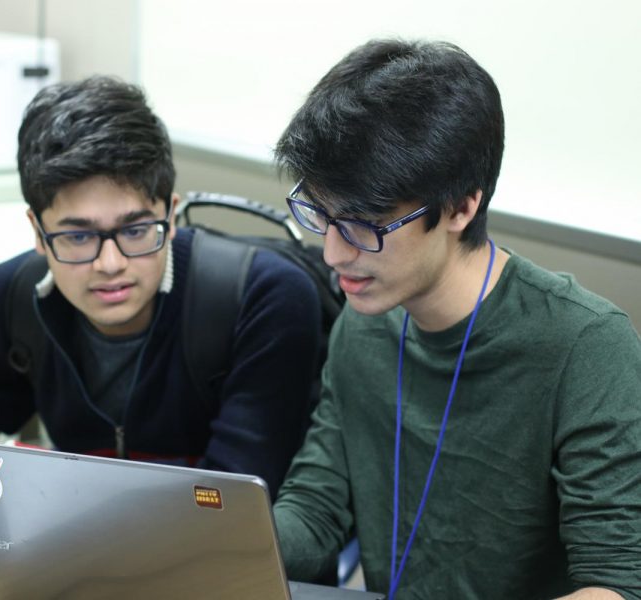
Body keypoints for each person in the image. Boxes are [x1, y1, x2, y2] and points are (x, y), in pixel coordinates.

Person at [271, 39, 641, 599]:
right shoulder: (366, 320)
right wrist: (213, 544)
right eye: (320, 215)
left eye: (363, 226)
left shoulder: (586, 346)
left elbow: (615, 583)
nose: (333, 253)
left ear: (461, 207)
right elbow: (319, 508)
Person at [0, 76, 321, 498]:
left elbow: (233, 502)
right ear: (38, 233)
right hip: (84, 547)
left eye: (135, 231)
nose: (110, 265)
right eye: (78, 237)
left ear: (171, 214)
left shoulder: (260, 299)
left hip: (226, 554)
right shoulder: (13, 297)